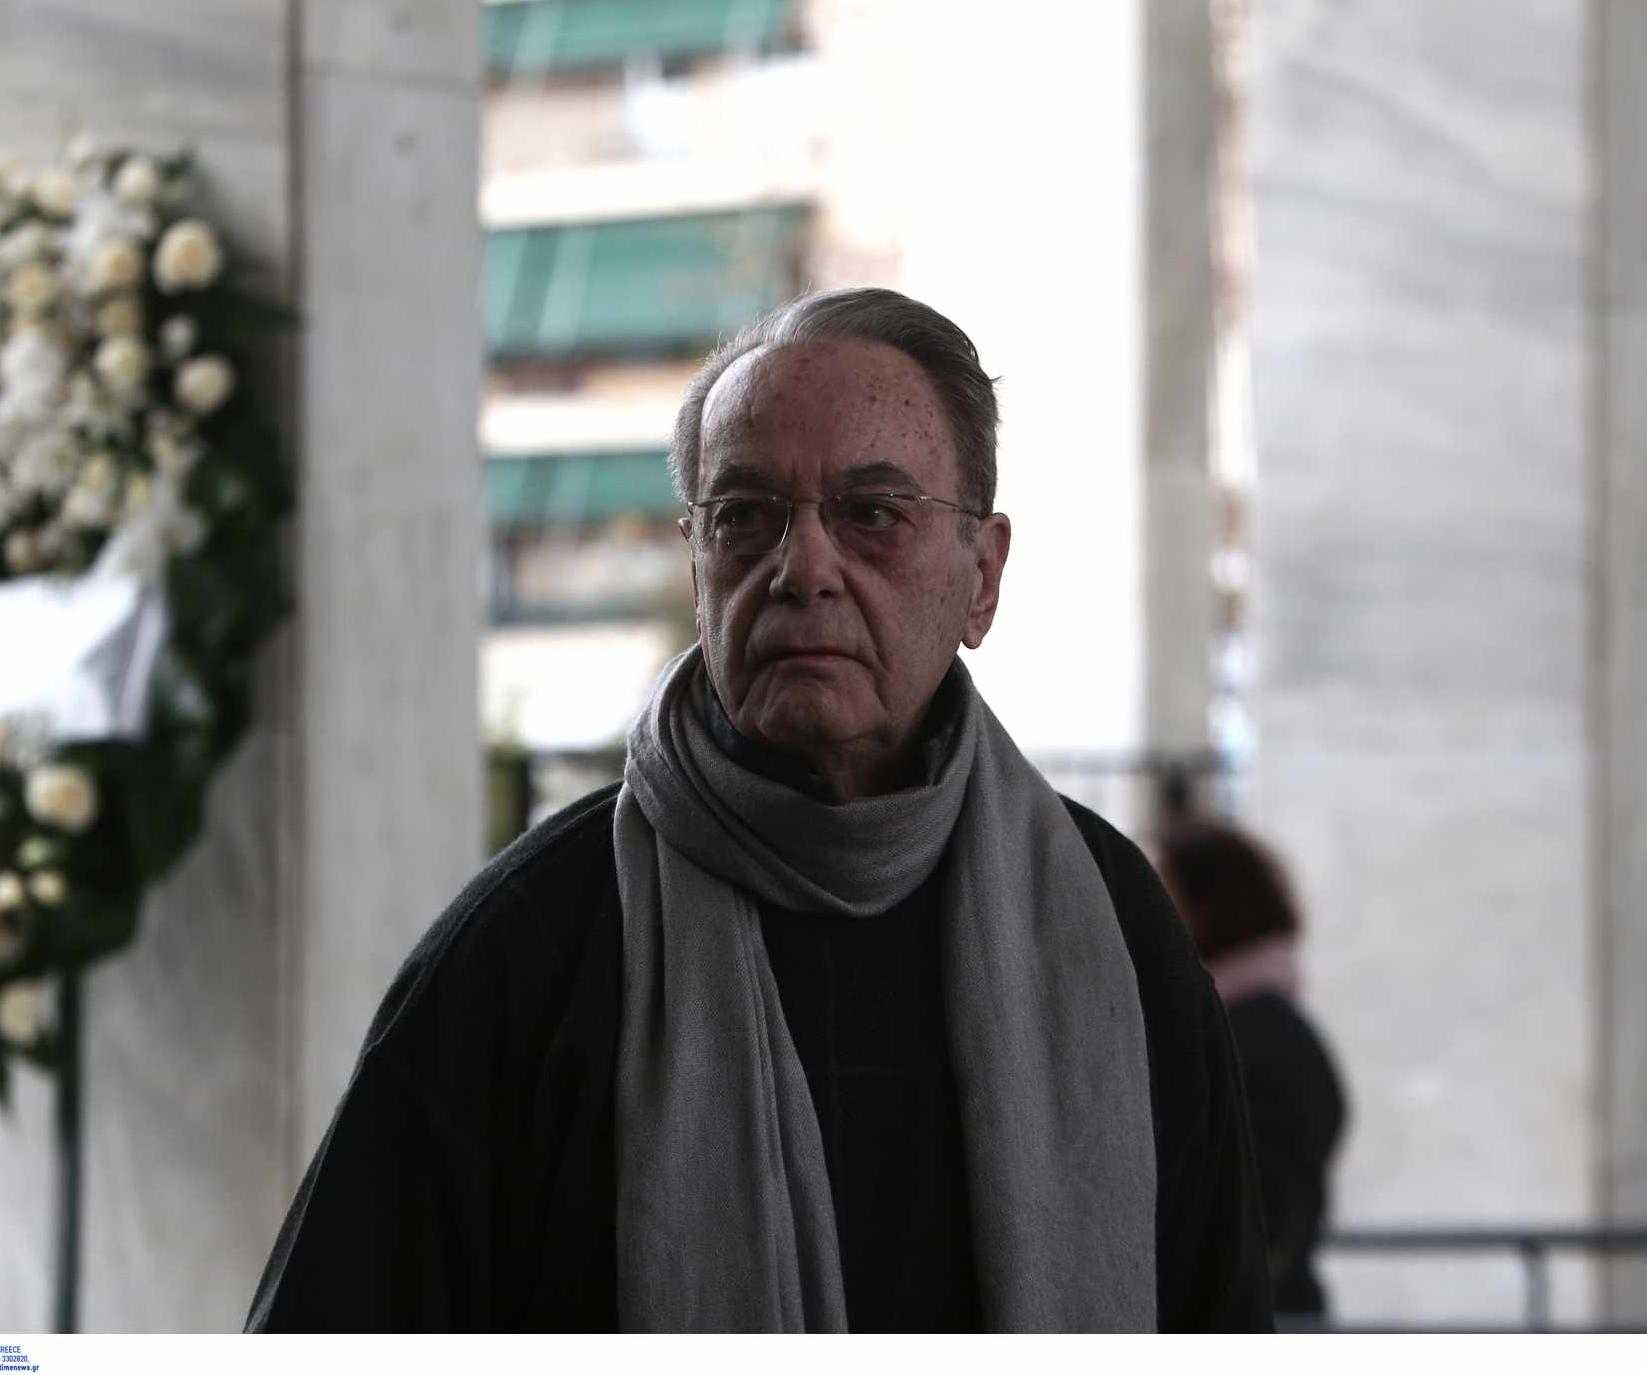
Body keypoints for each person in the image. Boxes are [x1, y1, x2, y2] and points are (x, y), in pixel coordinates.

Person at [246, 288, 1273, 1333]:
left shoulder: (1112, 926)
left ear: (982, 576)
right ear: (697, 568)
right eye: (745, 516)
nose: (804, 569)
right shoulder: (531, 942)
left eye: (872, 514)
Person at [1156, 820, 1347, 1323]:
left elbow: (1259, 1221)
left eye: (1163, 895)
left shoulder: (1261, 1040)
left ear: (1209, 910)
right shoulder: (1235, 1028)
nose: (1144, 915)